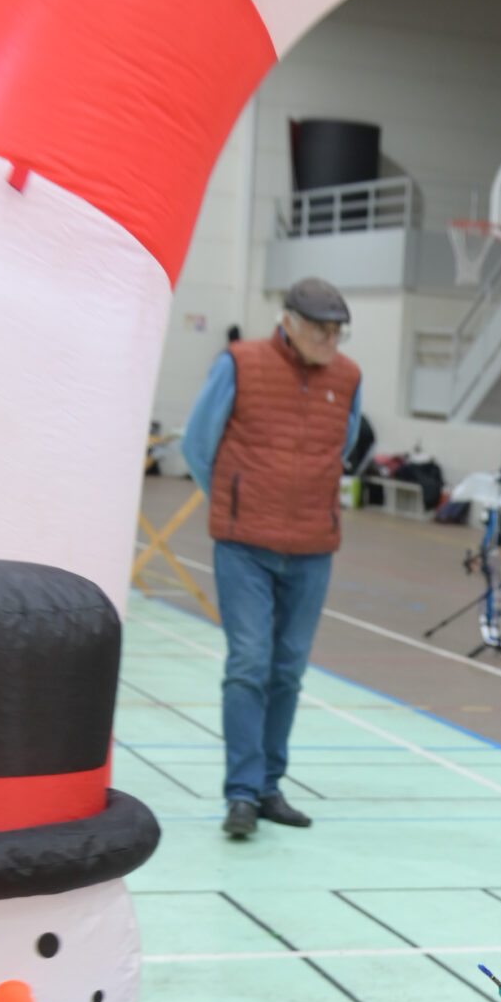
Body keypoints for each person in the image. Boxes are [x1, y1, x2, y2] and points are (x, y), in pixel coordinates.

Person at [184, 279, 362, 840]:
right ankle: (240, 793)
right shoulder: (240, 363)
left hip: (312, 550)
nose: (330, 341)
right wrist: (236, 503)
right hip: (244, 548)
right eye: (320, 330)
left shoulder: (349, 378)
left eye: (337, 332)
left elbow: (342, 447)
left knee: (287, 671)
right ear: (288, 322)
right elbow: (197, 445)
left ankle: (268, 787)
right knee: (249, 663)